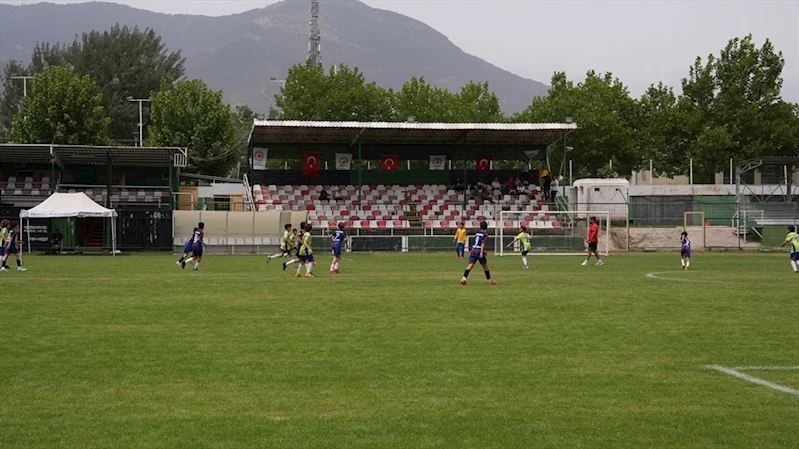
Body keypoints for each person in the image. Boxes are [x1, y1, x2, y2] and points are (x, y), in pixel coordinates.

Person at [460, 221, 496, 285]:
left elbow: (476, 242)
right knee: (485, 266)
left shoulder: (477, 233)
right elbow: (482, 243)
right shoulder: (485, 235)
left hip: (474, 249)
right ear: (486, 227)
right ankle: (489, 281)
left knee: (470, 264)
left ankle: (463, 278)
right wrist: (481, 252)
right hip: (479, 250)